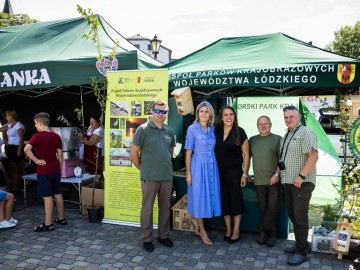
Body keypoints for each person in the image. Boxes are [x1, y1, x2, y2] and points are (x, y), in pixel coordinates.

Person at [130, 100, 175, 253]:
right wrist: (142, 168)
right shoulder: (142, 130)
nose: (160, 114)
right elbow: (133, 153)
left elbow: (169, 153)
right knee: (147, 209)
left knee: (165, 208)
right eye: (158, 111)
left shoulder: (169, 131)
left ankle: (163, 236)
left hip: (166, 176)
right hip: (149, 177)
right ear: (152, 111)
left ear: (166, 113)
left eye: (164, 112)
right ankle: (147, 238)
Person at [280, 106, 318, 266]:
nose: (288, 119)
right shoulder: (287, 134)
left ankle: (302, 252)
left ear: (299, 117)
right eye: (286, 117)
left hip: (302, 183)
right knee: (294, 215)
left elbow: (314, 156)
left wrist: (301, 176)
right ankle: (300, 244)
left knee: (300, 217)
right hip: (288, 182)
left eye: (291, 116)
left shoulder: (305, 133)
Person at [185, 101, 222, 245]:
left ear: (211, 114)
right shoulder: (192, 129)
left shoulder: (213, 129)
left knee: (209, 196)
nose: (204, 114)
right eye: (201, 111)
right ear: (197, 113)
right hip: (198, 166)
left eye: (207, 111)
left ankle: (198, 226)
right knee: (200, 197)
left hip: (212, 165)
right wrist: (188, 173)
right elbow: (188, 152)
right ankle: (202, 231)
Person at [24, 112, 67, 232]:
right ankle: (61, 218)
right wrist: (59, 169)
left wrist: (36, 160)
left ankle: (48, 224)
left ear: (39, 123)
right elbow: (60, 155)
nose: (35, 126)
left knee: (47, 196)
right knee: (57, 193)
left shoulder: (37, 136)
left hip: (44, 170)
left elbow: (26, 149)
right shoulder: (56, 136)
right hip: (55, 169)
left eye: (35, 124)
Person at [214, 105, 249, 244]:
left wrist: (245, 174)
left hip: (235, 173)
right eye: (226, 115)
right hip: (219, 172)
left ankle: (236, 230)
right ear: (221, 118)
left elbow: (246, 155)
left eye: (231, 114)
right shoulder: (216, 130)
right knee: (224, 201)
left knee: (235, 200)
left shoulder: (240, 132)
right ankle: (228, 229)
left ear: (234, 117)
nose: (229, 117)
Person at [249, 116, 282, 247]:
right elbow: (246, 158)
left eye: (265, 123)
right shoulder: (252, 140)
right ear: (257, 125)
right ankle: (269, 234)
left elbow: (282, 160)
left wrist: (276, 175)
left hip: (273, 180)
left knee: (273, 208)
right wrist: (246, 174)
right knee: (264, 209)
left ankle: (265, 232)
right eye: (260, 124)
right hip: (258, 181)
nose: (263, 126)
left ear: (271, 124)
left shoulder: (278, 139)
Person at [0, 110, 26, 191]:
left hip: (18, 147)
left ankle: (24, 185)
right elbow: (2, 129)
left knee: (21, 167)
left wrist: (19, 150)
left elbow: (21, 138)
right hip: (10, 148)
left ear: (11, 116)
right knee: (14, 167)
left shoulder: (19, 125)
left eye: (7, 115)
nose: (6, 117)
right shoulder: (8, 125)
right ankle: (16, 185)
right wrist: (5, 139)